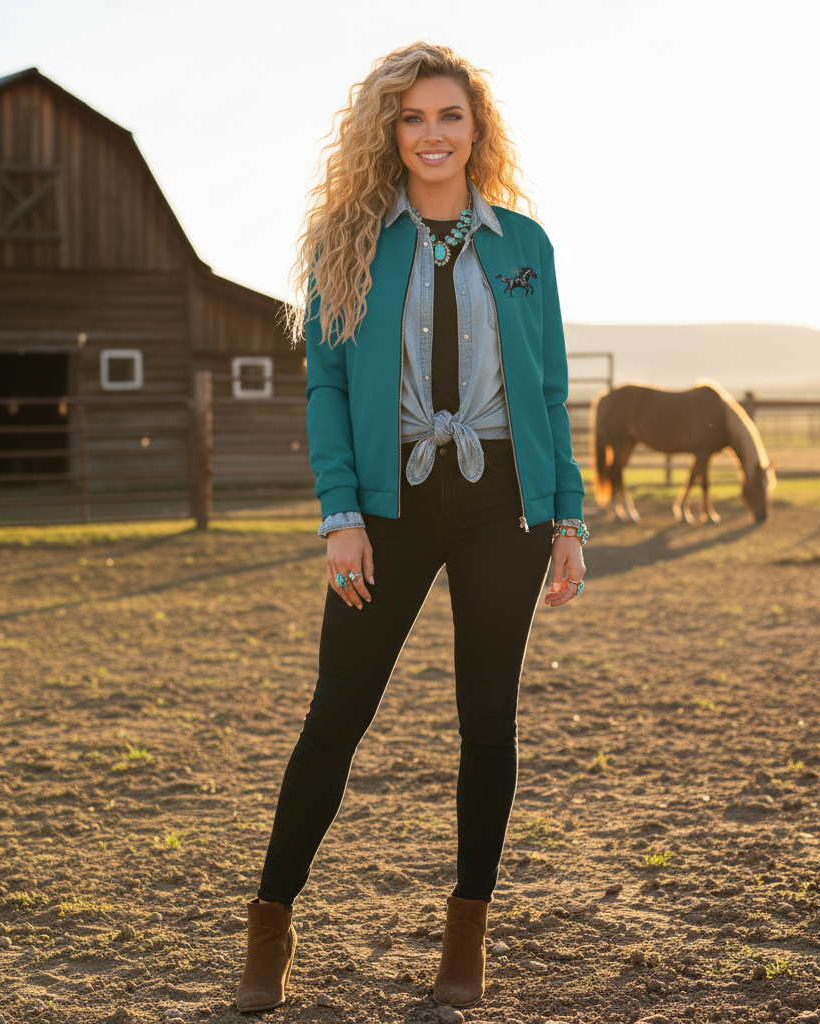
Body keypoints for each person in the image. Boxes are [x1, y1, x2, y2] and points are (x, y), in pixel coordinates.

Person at [235, 41, 588, 1013]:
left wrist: (566, 518)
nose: (433, 135)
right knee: (335, 715)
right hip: (384, 511)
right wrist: (339, 515)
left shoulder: (524, 246)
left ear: (477, 132)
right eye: (413, 119)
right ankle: (269, 925)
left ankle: (464, 937)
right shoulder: (345, 242)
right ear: (388, 134)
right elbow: (328, 385)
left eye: (449, 117)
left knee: (488, 718)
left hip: (499, 505)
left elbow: (550, 389)